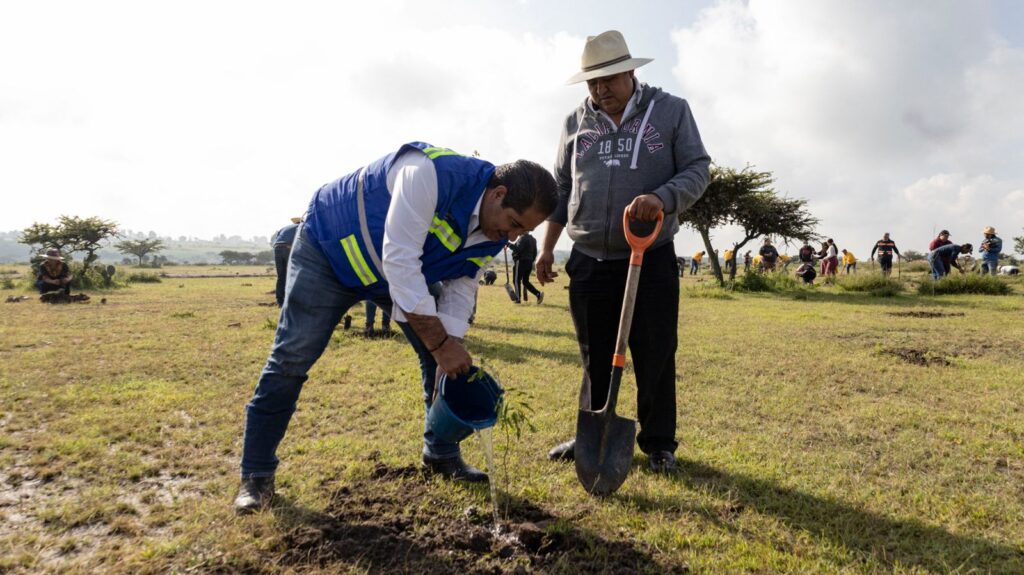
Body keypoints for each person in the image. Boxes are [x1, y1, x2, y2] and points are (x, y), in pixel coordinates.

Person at [234, 142, 557, 513]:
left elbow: (462, 285)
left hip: (393, 273)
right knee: (292, 356)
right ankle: (256, 476)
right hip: (329, 251)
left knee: (436, 355)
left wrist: (449, 343)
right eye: (514, 223)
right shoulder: (430, 175)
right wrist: (440, 344)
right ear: (498, 194)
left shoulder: (493, 230)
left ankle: (440, 453)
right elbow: (400, 261)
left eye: (522, 231)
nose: (512, 237)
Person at [536, 30, 710, 474]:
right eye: (592, 83)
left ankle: (657, 444)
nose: (601, 90)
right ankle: (591, 433)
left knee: (655, 351)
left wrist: (664, 197)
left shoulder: (670, 112)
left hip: (649, 257)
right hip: (589, 259)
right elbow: (561, 187)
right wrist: (547, 248)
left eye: (609, 79)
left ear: (631, 72)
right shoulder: (575, 123)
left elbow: (697, 169)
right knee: (594, 354)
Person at [271, 218, 302, 307]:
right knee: (292, 275)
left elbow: (276, 239)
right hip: (288, 248)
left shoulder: (284, 228)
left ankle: (280, 301)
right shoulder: (301, 227)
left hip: (277, 248)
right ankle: (292, 300)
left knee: (281, 276)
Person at [509, 231, 543, 304]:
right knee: (525, 282)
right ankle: (538, 294)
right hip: (529, 262)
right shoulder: (533, 239)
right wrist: (530, 261)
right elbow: (535, 253)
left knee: (516, 280)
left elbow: (518, 249)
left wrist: (508, 244)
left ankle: (517, 299)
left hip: (521, 262)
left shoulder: (522, 238)